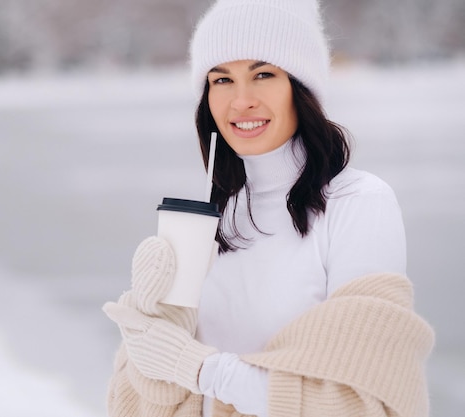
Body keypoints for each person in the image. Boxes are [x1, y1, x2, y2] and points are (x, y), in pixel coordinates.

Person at [103, 0, 435, 416]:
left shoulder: (358, 203)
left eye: (263, 74)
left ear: (301, 88)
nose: (241, 101)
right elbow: (142, 399)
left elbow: (357, 403)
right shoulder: (206, 218)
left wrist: (199, 367)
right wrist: (151, 325)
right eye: (221, 80)